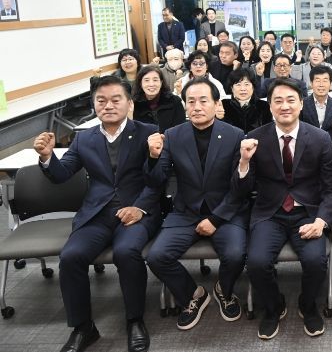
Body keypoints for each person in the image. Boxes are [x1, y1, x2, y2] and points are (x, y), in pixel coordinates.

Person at [34, 75, 161, 352]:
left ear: (129, 103)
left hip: (136, 212)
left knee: (126, 252)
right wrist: (47, 157)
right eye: (101, 101)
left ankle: (135, 320)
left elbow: (157, 181)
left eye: (116, 99)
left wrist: (139, 208)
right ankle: (83, 327)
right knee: (71, 256)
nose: (108, 106)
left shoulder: (148, 132)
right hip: (97, 214)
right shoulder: (84, 138)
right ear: (94, 105)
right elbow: (62, 174)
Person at [145, 77, 252, 331]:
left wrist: (215, 219)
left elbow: (240, 189)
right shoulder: (172, 135)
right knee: (157, 257)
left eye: (203, 101)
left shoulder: (235, 135)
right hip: (186, 211)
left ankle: (224, 290)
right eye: (190, 102)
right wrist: (152, 157)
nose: (197, 107)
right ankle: (193, 295)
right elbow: (157, 180)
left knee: (236, 255)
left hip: (225, 211)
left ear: (217, 104)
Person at [245, 78, 332, 339]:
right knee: (256, 263)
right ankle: (273, 306)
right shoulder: (255, 138)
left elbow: (331, 188)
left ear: (301, 104)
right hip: (270, 213)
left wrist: (321, 221)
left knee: (315, 262)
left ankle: (307, 305)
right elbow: (242, 189)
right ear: (270, 106)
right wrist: (243, 162)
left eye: (290, 100)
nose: (284, 106)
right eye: (278, 101)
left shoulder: (320, 138)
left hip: (307, 213)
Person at [132, 65, 186, 132]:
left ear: (161, 82)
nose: (151, 84)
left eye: (155, 80)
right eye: (146, 80)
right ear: (140, 83)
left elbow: (181, 129)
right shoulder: (134, 104)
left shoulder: (174, 101)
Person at [300, 66, 332, 140]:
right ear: (311, 83)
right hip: (307, 144)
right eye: (317, 80)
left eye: (325, 81)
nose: (321, 85)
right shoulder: (301, 105)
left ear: (331, 84)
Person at [219, 68, 272, 134]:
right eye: (238, 84)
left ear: (253, 87)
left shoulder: (264, 106)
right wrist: (219, 118)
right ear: (232, 88)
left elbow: (269, 131)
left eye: (246, 84)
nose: (243, 89)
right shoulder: (223, 105)